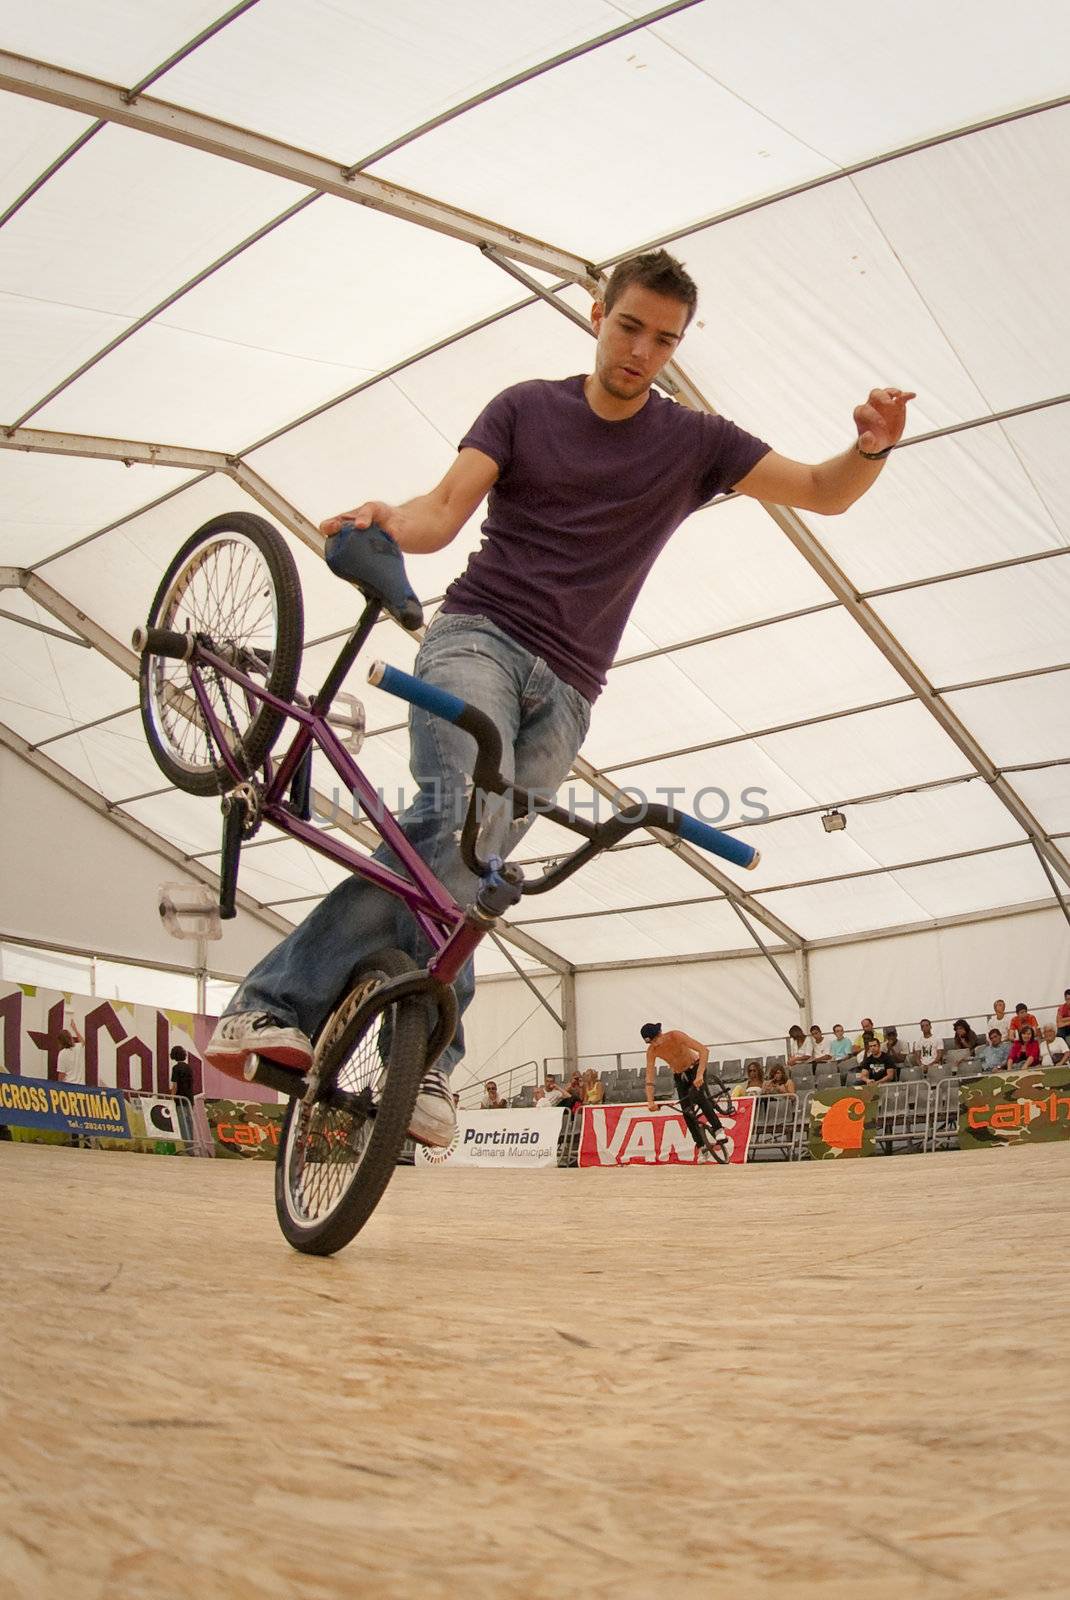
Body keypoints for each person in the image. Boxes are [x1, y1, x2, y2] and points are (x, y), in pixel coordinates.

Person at [204, 248, 914, 1148]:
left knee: (476, 869)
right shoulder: (524, 409)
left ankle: (413, 1060)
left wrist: (871, 447)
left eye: (664, 341)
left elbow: (822, 492)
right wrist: (393, 518)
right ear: (595, 314)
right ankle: (275, 1006)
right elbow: (444, 508)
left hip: (573, 691)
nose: (641, 353)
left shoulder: (696, 443)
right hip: (479, 639)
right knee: (456, 814)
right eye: (629, 328)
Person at [641, 1022, 728, 1162]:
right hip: (679, 1074)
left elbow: (704, 1050)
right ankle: (701, 1146)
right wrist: (650, 1101)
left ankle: (718, 1129)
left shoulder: (675, 1035)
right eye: (651, 1042)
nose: (655, 1044)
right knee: (686, 1110)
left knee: (698, 1095)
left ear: (660, 1033)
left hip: (695, 1066)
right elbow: (650, 1076)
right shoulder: (652, 1051)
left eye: (656, 1039)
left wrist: (699, 1075)